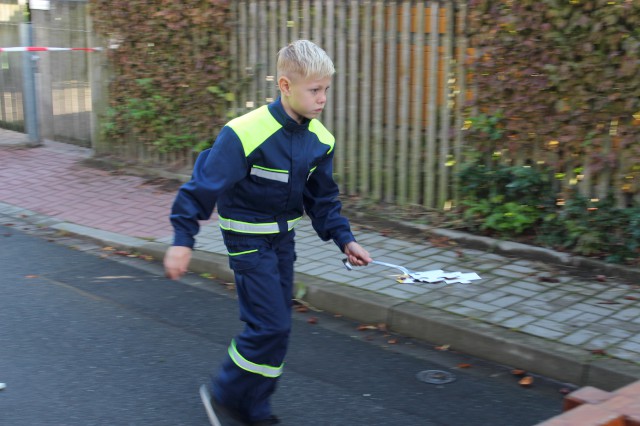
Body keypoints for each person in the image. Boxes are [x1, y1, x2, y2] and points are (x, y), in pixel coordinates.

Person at [164, 40, 372, 426]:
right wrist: (182, 240)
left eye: (326, 89)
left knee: (278, 329)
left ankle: (254, 409)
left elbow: (323, 199)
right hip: (246, 241)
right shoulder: (244, 132)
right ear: (285, 85)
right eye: (314, 90)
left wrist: (346, 239)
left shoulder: (320, 141)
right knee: (269, 326)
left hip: (282, 242)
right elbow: (202, 186)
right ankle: (224, 394)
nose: (322, 98)